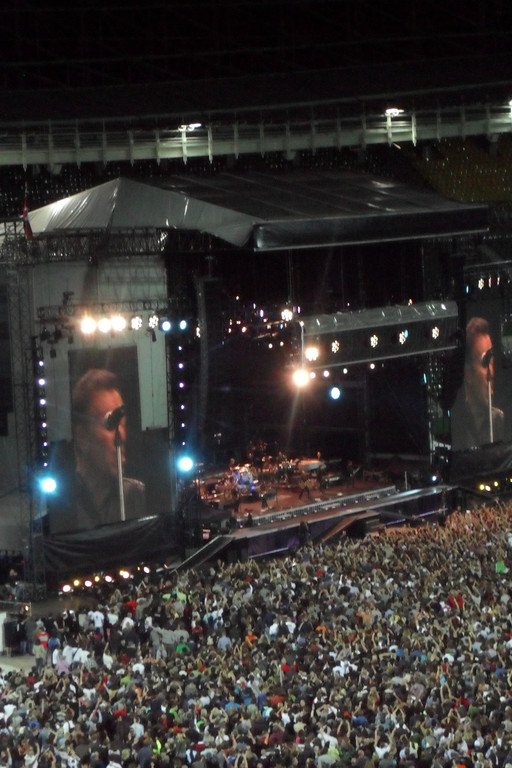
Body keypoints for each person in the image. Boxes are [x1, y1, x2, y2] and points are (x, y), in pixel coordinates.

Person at [49, 368, 146, 534]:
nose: (121, 435)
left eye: (123, 424)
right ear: (82, 436)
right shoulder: (62, 502)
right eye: (110, 423)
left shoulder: (135, 494)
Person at [451, 317, 505, 451]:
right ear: (468, 373)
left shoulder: (498, 420)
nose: (491, 372)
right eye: (485, 362)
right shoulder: (458, 422)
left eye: (491, 362)